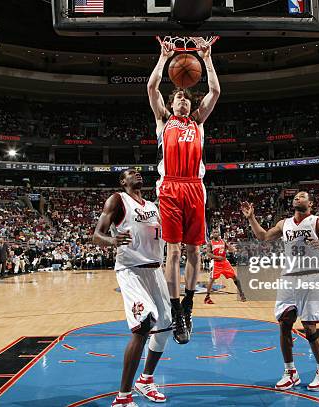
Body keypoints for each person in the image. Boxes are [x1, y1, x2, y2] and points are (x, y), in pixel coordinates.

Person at [147, 37, 220, 344]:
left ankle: (188, 305)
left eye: (187, 100)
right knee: (173, 250)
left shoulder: (198, 122)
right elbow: (152, 89)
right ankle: (175, 310)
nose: (183, 102)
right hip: (170, 186)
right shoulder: (163, 121)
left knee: (193, 250)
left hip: (194, 187)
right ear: (171, 102)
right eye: (178, 98)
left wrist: (206, 58)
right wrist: (164, 58)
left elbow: (215, 91)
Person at [241, 191, 319, 391]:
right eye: (295, 196)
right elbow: (263, 236)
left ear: (310, 203)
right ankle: (290, 372)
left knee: (310, 328)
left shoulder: (317, 222)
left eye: (302, 196)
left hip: (311, 277)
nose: (297, 198)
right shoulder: (284, 223)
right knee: (284, 324)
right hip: (289, 278)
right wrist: (251, 218)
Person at [93, 169, 171, 407]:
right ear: (122, 181)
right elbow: (97, 235)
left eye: (138, 172)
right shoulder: (117, 199)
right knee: (143, 324)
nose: (136, 174)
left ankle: (145, 380)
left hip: (155, 269)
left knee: (166, 324)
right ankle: (123, 397)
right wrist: (111, 240)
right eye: (130, 173)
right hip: (131, 269)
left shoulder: (152, 206)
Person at [204, 230, 246, 304]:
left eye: (217, 232)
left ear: (219, 233)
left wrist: (234, 249)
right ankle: (207, 297)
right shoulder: (210, 243)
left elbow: (230, 249)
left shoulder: (223, 241)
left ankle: (241, 293)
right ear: (212, 234)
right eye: (214, 232)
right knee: (212, 279)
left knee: (235, 277)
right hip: (216, 263)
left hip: (225, 262)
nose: (215, 233)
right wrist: (217, 257)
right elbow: (208, 254)